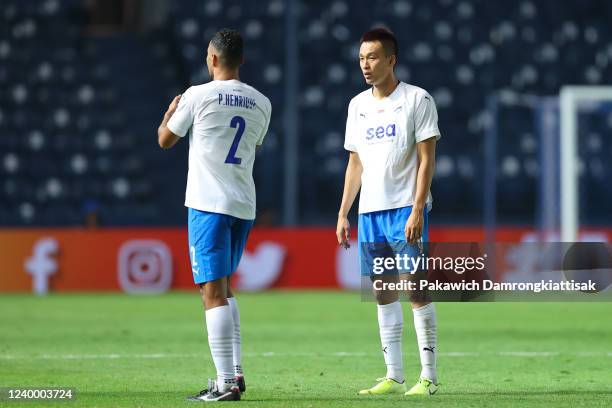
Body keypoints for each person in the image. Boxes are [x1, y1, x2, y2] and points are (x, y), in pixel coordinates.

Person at [157, 28, 271, 402]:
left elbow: (165, 140)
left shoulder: (197, 95)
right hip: (243, 205)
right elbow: (251, 144)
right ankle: (235, 374)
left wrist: (169, 114)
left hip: (208, 204)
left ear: (212, 59)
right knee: (224, 287)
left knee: (211, 292)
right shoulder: (261, 102)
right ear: (241, 60)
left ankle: (224, 385)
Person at [336, 27, 441, 396]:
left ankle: (428, 376)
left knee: (415, 288)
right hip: (371, 214)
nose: (365, 64)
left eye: (373, 57)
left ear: (391, 60)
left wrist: (417, 209)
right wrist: (343, 212)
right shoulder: (357, 105)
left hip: (404, 211)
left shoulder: (417, 99)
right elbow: (355, 163)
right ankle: (394, 375)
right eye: (362, 57)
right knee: (382, 291)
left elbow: (427, 160)